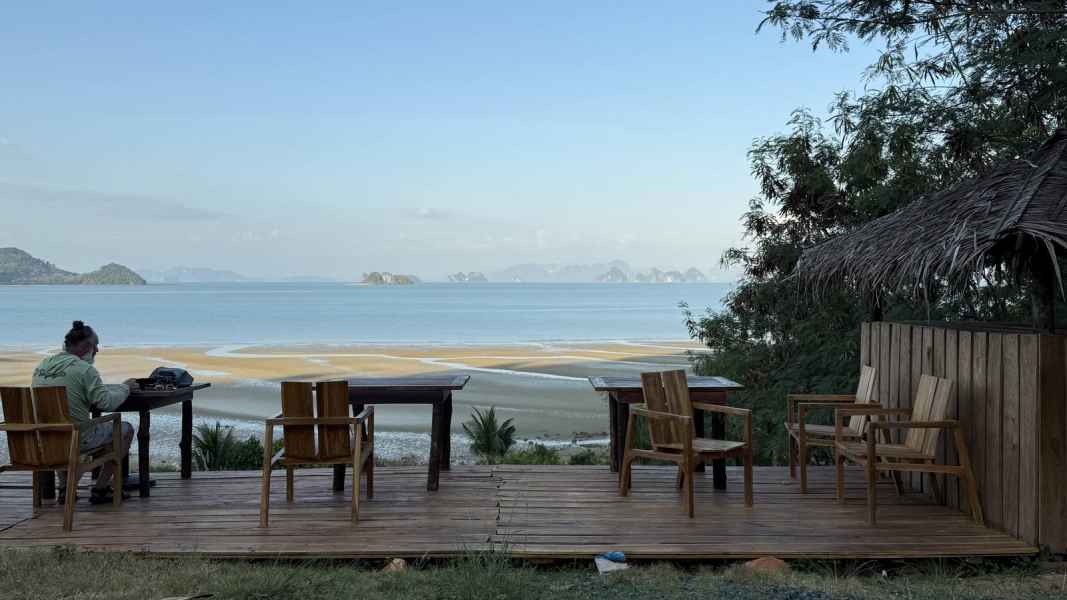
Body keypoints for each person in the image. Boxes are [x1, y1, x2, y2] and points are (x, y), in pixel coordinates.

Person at [32, 320, 137, 504]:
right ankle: (101, 488)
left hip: (44, 436)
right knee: (125, 429)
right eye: (95, 345)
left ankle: (65, 488)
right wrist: (125, 388)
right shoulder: (85, 370)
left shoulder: (41, 367)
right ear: (87, 347)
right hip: (78, 438)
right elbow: (106, 403)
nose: (97, 350)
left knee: (60, 427)